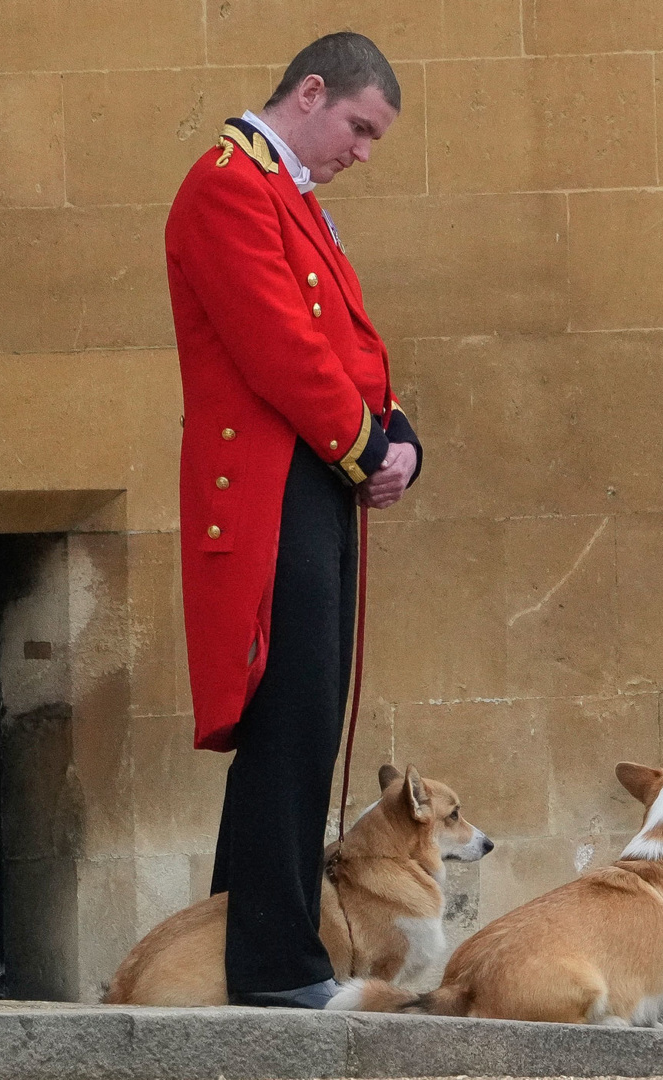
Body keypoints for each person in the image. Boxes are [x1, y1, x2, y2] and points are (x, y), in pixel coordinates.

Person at [165, 32, 420, 1010]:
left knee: (303, 723)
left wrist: (395, 439)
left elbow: (346, 344)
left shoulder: (290, 196)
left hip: (312, 477)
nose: (361, 152)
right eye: (357, 128)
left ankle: (238, 951)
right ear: (310, 93)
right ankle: (274, 964)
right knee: (289, 722)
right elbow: (281, 349)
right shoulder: (228, 184)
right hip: (272, 488)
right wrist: (364, 448)